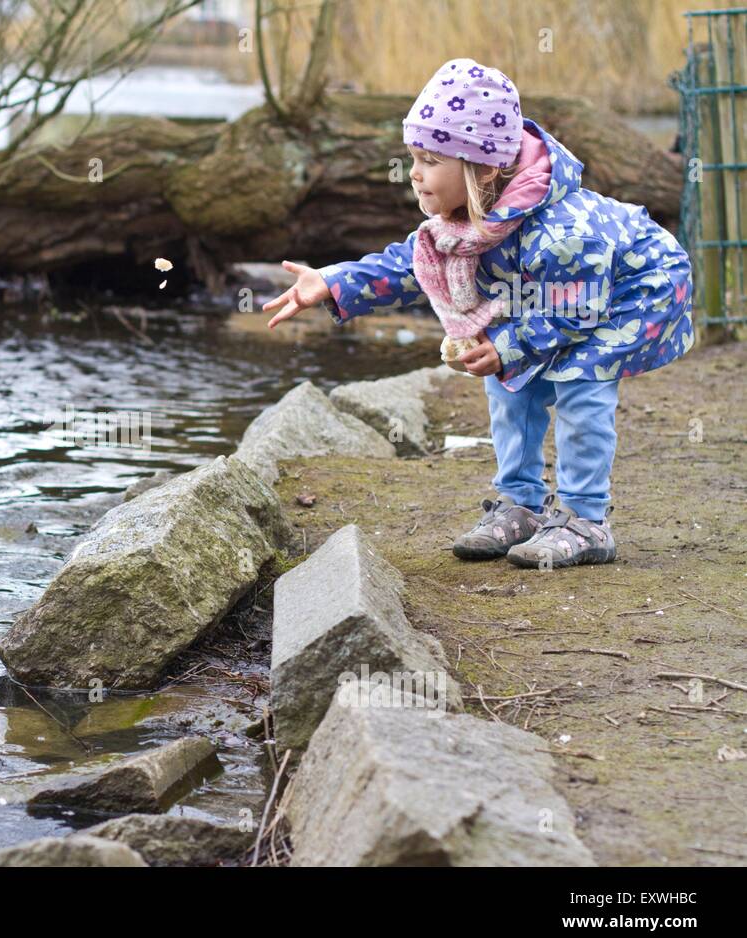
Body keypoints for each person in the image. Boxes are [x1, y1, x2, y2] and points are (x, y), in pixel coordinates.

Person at [262, 58, 695, 569]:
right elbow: (409, 265)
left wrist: (508, 346)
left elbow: (574, 311)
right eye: (413, 157)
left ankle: (586, 519)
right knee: (511, 382)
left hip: (635, 290)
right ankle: (521, 504)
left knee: (580, 381)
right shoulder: (465, 217)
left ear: (483, 167)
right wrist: (333, 281)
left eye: (430, 160)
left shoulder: (561, 231)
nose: (415, 174)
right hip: (551, 297)